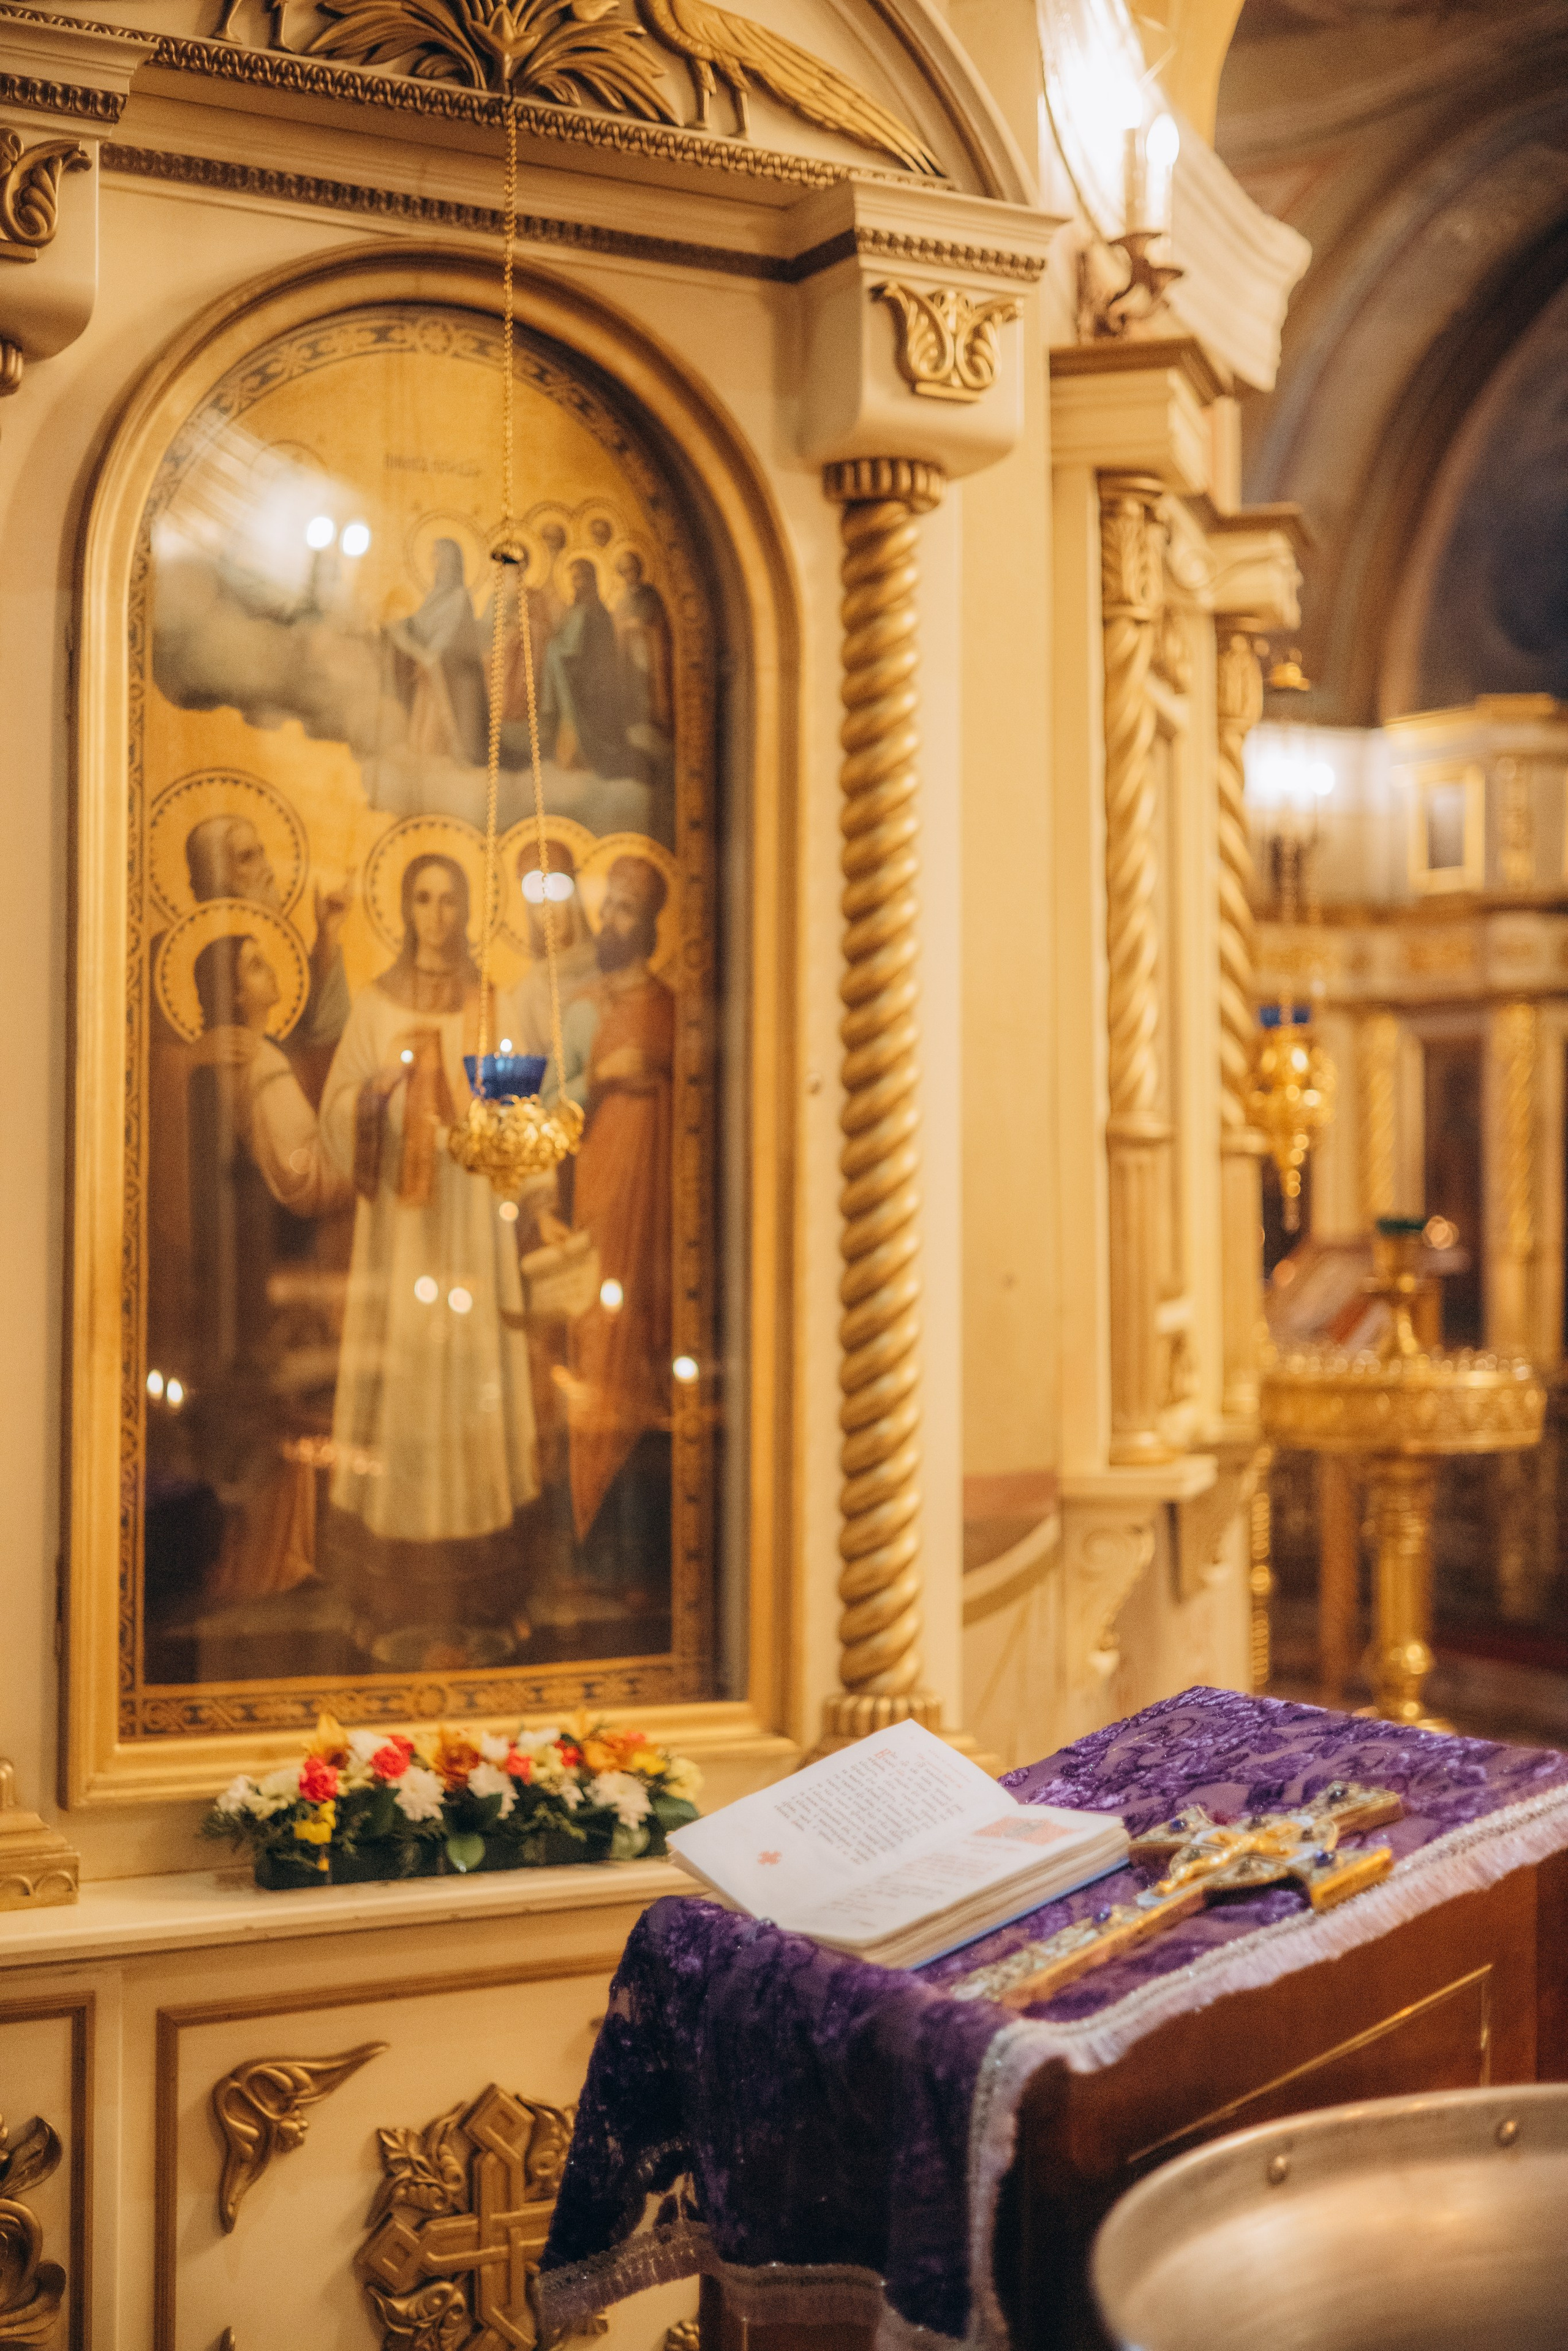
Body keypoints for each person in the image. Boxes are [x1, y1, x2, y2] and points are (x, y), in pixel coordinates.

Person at [318, 852, 539, 1547]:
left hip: (472, 1216)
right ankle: (397, 1526)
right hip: (399, 1225)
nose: (436, 915)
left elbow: (519, 1114)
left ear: (468, 909)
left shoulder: (490, 1004)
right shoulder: (376, 1004)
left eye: (449, 900)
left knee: (471, 1354)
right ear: (405, 909)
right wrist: (379, 1094)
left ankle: (478, 1526)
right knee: (406, 1352)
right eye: (423, 899)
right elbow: (334, 1108)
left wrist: (485, 1128)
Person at [183, 932, 352, 1604]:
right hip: (280, 1264)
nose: (265, 969)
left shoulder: (226, 1058)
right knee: (286, 1411)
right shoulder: (259, 1060)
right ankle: (271, 1562)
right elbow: (306, 1177)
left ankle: (282, 1555)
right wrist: (367, 1140)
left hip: (243, 1261)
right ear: (231, 991)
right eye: (253, 964)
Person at [562, 853, 674, 1591]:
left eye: (628, 907)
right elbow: (546, 1107)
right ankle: (581, 1531)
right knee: (591, 1349)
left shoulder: (670, 1007)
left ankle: (634, 1547)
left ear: (654, 921)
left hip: (662, 1203)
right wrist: (603, 1076)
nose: (612, 920)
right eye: (608, 907)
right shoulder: (581, 1006)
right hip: (597, 1193)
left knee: (644, 1353)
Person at [385, 538, 489, 768]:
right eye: (433, 555)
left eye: (437, 555)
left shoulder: (460, 597)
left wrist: (432, 655)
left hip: (453, 679)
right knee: (423, 737)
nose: (433, 561)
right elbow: (421, 626)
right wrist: (399, 626)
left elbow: (452, 634)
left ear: (450, 561)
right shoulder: (434, 597)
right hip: (432, 673)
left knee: (439, 738)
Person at [539, 558, 628, 777]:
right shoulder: (575, 609)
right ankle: (570, 754)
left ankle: (586, 754)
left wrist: (556, 650)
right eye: (573, 579)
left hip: (591, 677)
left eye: (579, 578)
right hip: (574, 672)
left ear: (591, 580)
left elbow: (578, 648)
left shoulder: (596, 611)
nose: (575, 584)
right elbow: (562, 638)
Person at [612, 551, 674, 743]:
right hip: (629, 649)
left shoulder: (650, 594)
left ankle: (654, 721)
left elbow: (658, 621)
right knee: (633, 681)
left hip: (649, 648)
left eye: (631, 570)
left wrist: (636, 624)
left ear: (639, 570)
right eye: (624, 571)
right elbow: (617, 622)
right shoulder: (622, 599)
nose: (628, 575)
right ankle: (635, 719)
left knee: (648, 681)